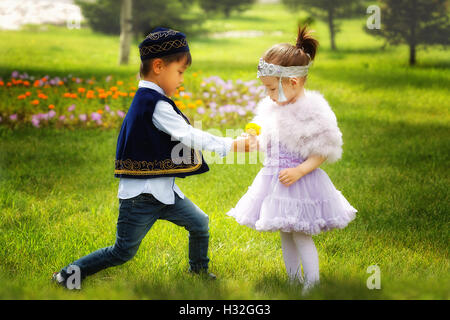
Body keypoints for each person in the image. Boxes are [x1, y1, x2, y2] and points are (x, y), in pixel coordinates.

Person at [52, 27, 257, 289]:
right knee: (121, 252)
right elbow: (189, 135)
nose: (182, 79)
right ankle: (66, 276)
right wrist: (232, 144)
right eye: (180, 72)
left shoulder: (153, 99)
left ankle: (198, 272)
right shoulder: (154, 104)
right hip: (140, 198)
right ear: (159, 66)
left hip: (164, 192)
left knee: (199, 222)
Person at [226, 26, 357, 295]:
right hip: (275, 180)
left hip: (300, 181)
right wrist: (252, 133)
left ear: (293, 82)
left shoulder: (313, 111)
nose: (269, 95)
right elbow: (260, 125)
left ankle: (313, 281)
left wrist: (300, 170)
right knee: (285, 231)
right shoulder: (273, 105)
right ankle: (293, 277)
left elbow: (324, 150)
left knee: (300, 233)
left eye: (272, 89)